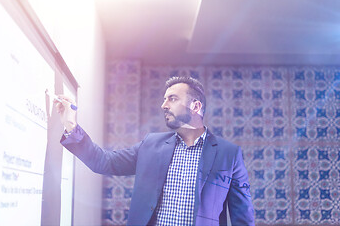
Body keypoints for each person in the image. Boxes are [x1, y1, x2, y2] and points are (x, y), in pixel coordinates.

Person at [56, 76, 255, 226]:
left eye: (172, 99)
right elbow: (104, 161)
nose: (163, 105)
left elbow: (242, 216)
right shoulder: (151, 144)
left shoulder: (229, 154)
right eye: (164, 99)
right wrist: (72, 126)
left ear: (196, 106)